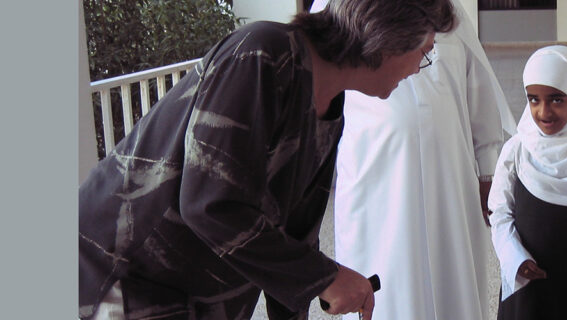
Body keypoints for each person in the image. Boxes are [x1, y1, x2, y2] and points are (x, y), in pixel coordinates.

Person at [77, 0, 456, 319]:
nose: (417, 69)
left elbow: (295, 240)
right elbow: (208, 204)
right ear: (388, 40)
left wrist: (316, 280)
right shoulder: (262, 52)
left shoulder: (330, 108)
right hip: (127, 277)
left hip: (196, 293)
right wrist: (324, 277)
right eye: (423, 53)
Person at [316, 0, 517, 318]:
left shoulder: (446, 9)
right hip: (374, 179)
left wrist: (487, 170)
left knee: (452, 277)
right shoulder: (335, 6)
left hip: (450, 176)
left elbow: (478, 89)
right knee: (384, 281)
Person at [488, 45, 567, 320]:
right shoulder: (517, 150)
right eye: (534, 99)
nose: (543, 111)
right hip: (525, 285)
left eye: (556, 99)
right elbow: (499, 214)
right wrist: (515, 258)